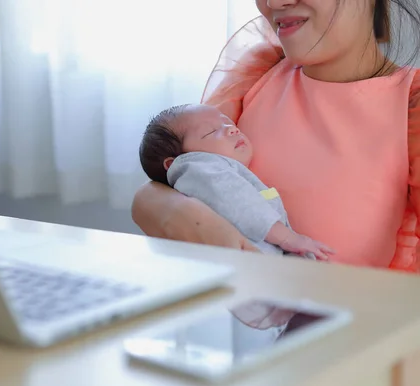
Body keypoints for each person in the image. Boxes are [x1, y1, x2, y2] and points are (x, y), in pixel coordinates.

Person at [131, 0, 420, 272]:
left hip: (354, 320)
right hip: (238, 311)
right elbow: (175, 172)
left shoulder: (411, 106)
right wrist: (166, 207)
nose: (273, 2)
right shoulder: (258, 71)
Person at [139, 103, 335, 259]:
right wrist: (289, 238)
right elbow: (239, 203)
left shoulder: (221, 168)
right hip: (246, 269)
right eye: (210, 132)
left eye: (229, 123)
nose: (231, 130)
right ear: (173, 163)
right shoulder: (199, 168)